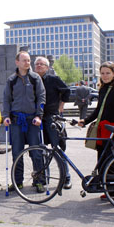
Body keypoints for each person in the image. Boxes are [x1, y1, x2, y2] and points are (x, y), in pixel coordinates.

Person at [78, 62, 114, 206]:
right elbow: (98, 111)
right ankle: (112, 190)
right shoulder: (103, 88)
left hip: (112, 128)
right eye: (102, 73)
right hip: (102, 129)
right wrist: (85, 120)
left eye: (108, 73)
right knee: (103, 160)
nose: (105, 76)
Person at [3, 51, 46, 193]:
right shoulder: (11, 80)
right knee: (17, 152)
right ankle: (17, 182)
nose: (27, 63)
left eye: (28, 60)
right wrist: (6, 116)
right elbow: (7, 99)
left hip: (32, 120)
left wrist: (39, 115)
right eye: (24, 60)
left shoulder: (35, 78)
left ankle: (39, 181)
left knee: (36, 152)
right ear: (17, 62)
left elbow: (41, 97)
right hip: (16, 121)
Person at [34, 56, 72, 189]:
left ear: (47, 67)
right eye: (37, 64)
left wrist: (61, 106)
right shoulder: (31, 81)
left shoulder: (53, 79)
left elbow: (66, 91)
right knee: (40, 150)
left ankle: (66, 178)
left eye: (42, 64)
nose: (39, 66)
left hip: (51, 118)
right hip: (37, 120)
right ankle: (43, 179)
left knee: (58, 149)